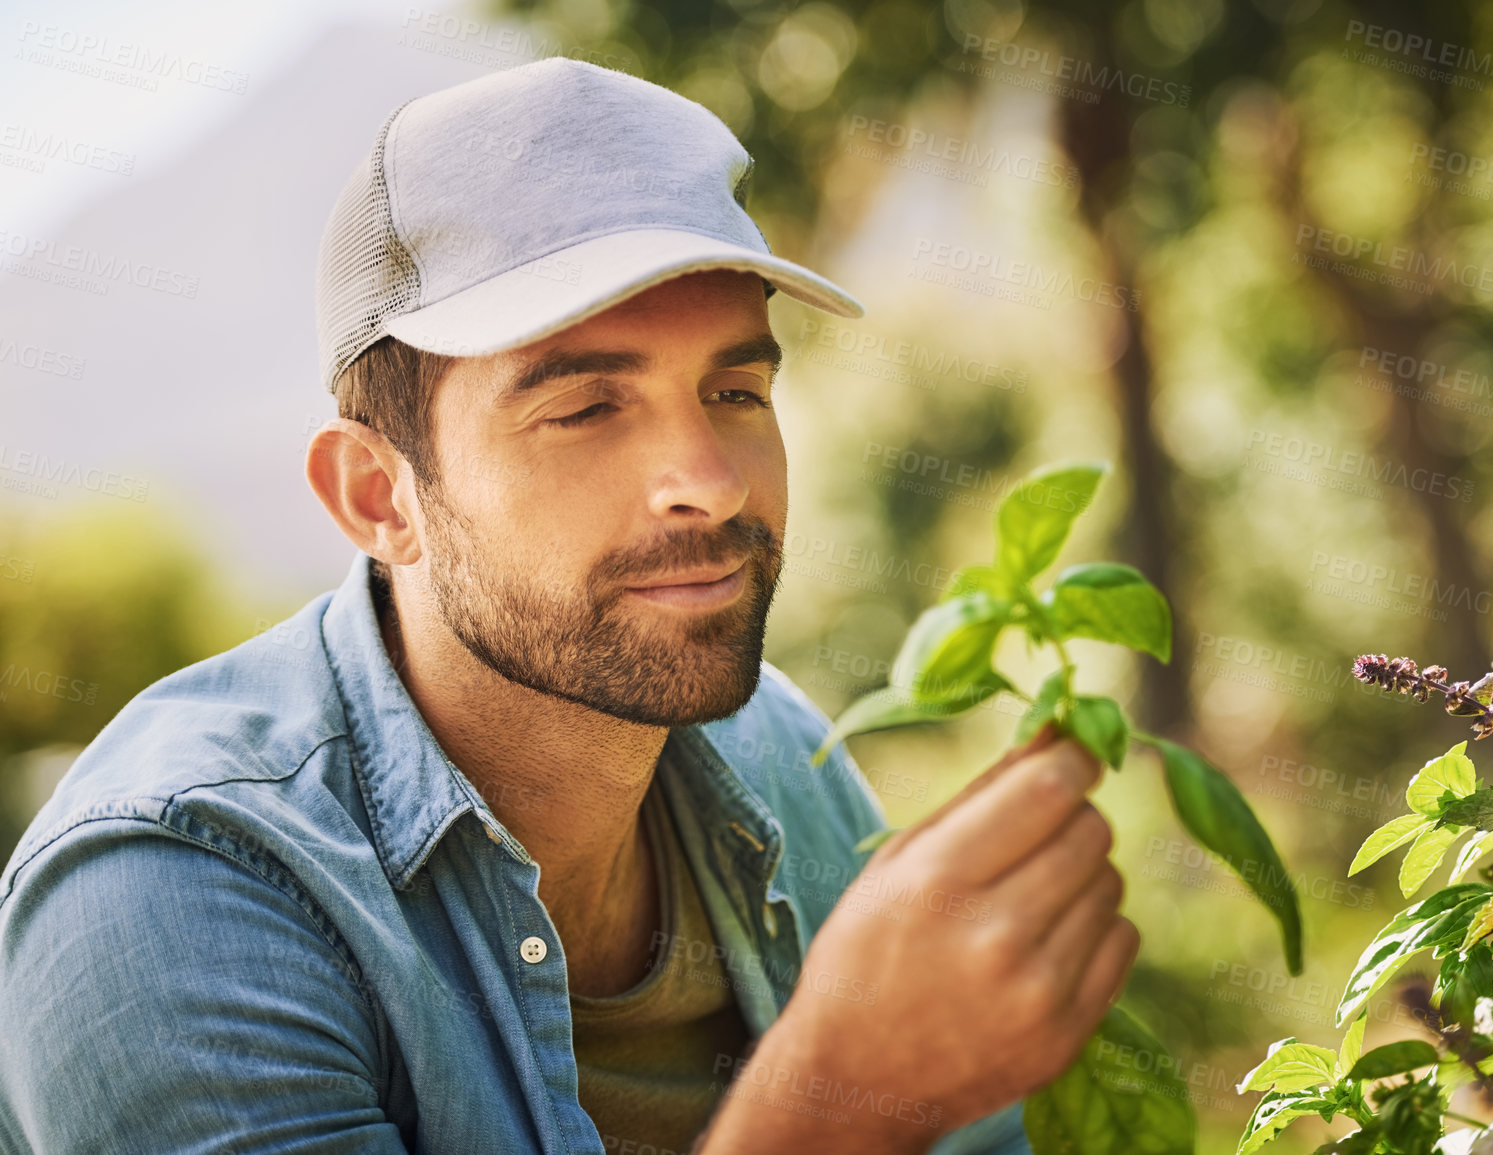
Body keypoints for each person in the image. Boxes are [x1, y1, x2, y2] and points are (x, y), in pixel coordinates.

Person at [0, 56, 1135, 1154]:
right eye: (588, 408)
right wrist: (841, 1102)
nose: (714, 479)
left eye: (735, 390)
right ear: (377, 496)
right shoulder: (168, 898)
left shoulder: (788, 758)